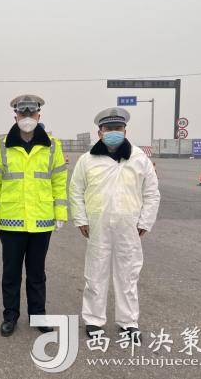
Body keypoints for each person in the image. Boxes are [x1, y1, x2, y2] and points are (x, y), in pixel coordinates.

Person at [69, 107, 160, 344]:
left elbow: (151, 193)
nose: (113, 132)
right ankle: (94, 319)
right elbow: (76, 190)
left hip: (129, 226)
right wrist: (81, 219)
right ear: (99, 133)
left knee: (128, 274)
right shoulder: (88, 160)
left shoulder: (139, 158)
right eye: (108, 129)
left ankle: (128, 322)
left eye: (118, 128)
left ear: (125, 131)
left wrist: (146, 221)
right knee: (95, 273)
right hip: (97, 225)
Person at [0, 95, 68, 337]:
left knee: (37, 274)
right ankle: (10, 316)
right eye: (23, 114)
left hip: (41, 221)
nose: (27, 118)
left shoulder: (53, 146)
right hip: (11, 221)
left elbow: (59, 182)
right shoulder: (1, 146)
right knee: (11, 273)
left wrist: (60, 213)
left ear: (39, 116)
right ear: (16, 117)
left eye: (32, 114)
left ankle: (38, 315)